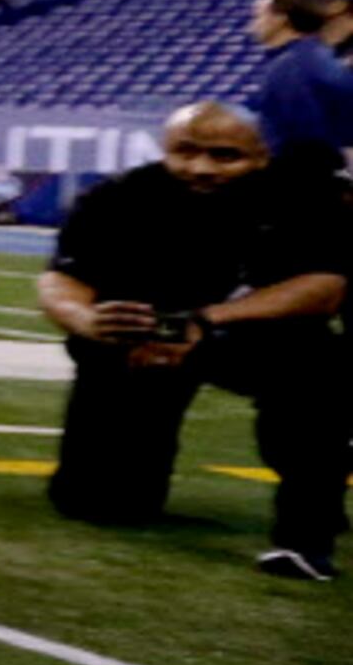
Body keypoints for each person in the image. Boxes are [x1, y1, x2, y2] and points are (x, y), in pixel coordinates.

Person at [37, 102, 348, 582]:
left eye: (225, 156)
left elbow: (323, 290)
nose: (201, 167)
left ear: (263, 155)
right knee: (99, 503)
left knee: (315, 381)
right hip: (145, 338)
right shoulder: (119, 197)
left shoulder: (307, 199)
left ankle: (306, 532)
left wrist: (207, 321)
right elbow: (62, 279)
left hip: (253, 333)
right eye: (186, 152)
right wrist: (86, 320)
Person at [248, 0, 353, 175]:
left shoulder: (291, 66)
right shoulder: (313, 56)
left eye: (258, 16)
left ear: (281, 19)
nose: (252, 26)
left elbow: (303, 145)